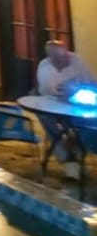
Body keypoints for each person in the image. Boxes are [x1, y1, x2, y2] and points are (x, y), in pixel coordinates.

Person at [36, 40, 97, 179]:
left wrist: (78, 89)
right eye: (59, 59)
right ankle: (67, 160)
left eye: (65, 57)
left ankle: (75, 156)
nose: (64, 60)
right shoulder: (44, 67)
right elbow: (49, 91)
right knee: (49, 123)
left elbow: (92, 82)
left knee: (83, 124)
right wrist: (65, 90)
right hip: (52, 105)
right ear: (51, 59)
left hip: (77, 104)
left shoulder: (77, 61)